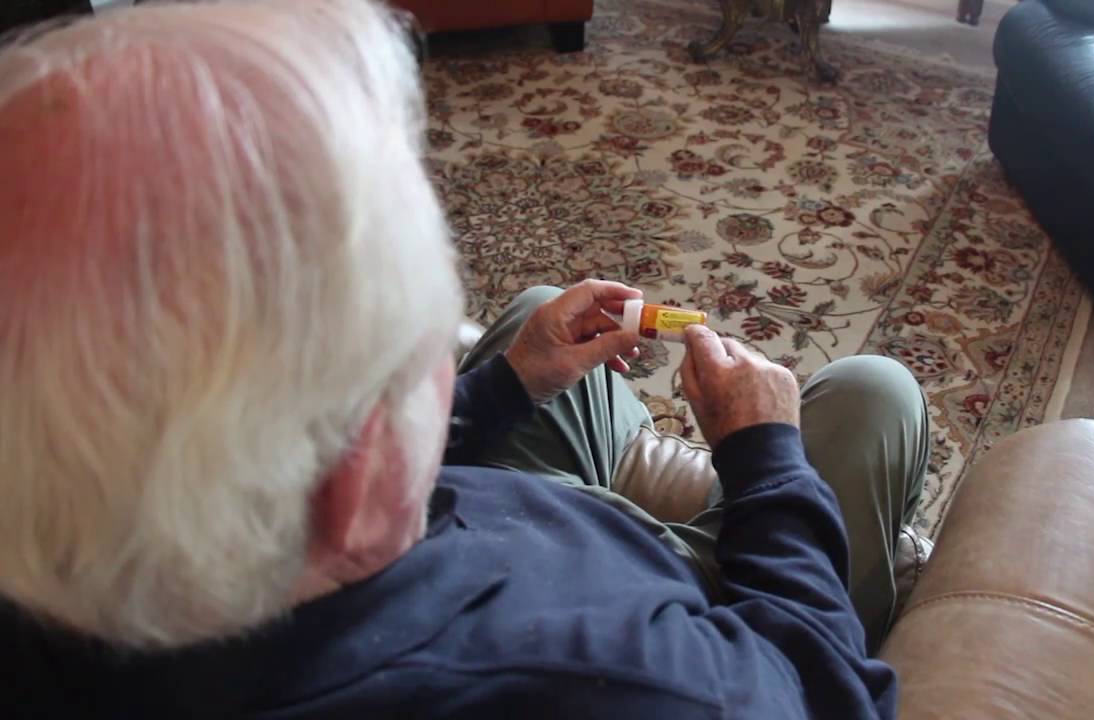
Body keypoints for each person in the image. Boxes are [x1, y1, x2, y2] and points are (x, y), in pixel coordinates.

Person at [0, 1, 928, 718]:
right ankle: (873, 581)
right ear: (356, 475)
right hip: (695, 610)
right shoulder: (650, 689)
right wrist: (768, 461)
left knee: (532, 314)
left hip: (488, 536)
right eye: (423, 349)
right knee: (874, 395)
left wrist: (511, 382)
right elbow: (820, 697)